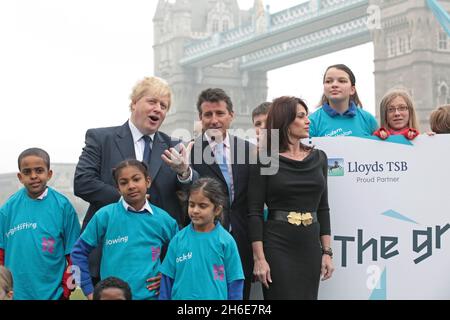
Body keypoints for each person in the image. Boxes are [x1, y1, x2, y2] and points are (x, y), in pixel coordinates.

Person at [74, 76, 198, 284]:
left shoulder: (175, 146)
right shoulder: (101, 138)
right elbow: (83, 182)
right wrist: (131, 200)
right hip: (109, 255)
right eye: (152, 102)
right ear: (133, 104)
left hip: (157, 262)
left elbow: (194, 193)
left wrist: (185, 173)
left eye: (164, 106)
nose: (158, 109)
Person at [248, 96, 334, 300]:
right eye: (301, 116)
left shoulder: (320, 158)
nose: (308, 121)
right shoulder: (265, 160)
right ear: (285, 121)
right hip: (277, 245)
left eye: (307, 116)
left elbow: (323, 208)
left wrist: (327, 252)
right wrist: (259, 259)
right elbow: (254, 212)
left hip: (309, 246)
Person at [71, 160, 178, 300]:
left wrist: (166, 276)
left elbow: (181, 255)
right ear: (118, 188)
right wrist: (88, 290)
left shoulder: (164, 220)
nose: (131, 186)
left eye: (136, 179)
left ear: (148, 181)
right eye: (124, 182)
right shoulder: (105, 216)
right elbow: (78, 252)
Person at [190, 88, 254, 300]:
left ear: (231, 116)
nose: (214, 120)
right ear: (200, 118)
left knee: (240, 296)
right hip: (203, 239)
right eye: (208, 115)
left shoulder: (250, 150)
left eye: (220, 113)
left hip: (242, 239)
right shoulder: (189, 151)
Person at [0, 148, 80, 300]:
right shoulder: (7, 210)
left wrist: (66, 291)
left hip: (54, 295)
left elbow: (74, 255)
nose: (33, 176)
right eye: (27, 172)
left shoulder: (63, 207)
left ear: (49, 174)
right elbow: (0, 255)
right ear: (20, 176)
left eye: (39, 170)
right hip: (15, 295)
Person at [159, 177, 244, 300]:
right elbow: (167, 281)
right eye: (191, 204)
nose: (195, 210)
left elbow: (235, 282)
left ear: (217, 210)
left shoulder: (226, 241)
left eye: (202, 206)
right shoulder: (178, 239)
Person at [309, 64, 378, 137]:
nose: (334, 85)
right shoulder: (311, 122)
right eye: (328, 81)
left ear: (352, 89)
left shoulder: (368, 119)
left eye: (342, 81)